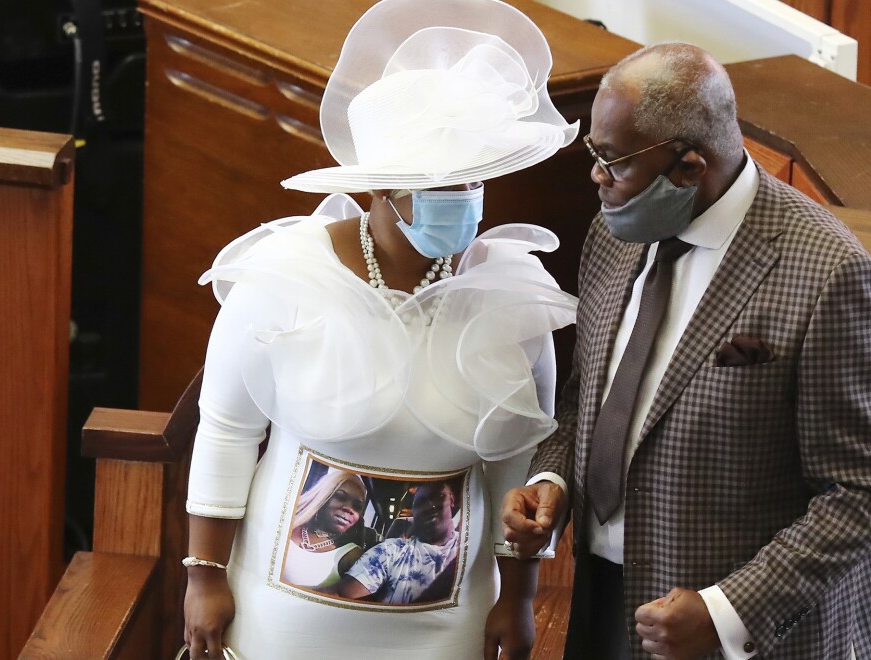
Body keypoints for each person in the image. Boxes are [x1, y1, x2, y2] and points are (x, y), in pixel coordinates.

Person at [181, 0, 581, 658]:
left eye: (471, 182)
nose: (460, 200)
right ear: (377, 189)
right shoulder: (282, 277)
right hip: (283, 625)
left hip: (445, 629)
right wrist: (204, 576)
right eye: (435, 186)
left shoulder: (516, 300)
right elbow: (228, 429)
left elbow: (516, 466)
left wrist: (518, 596)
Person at [501, 42, 871, 660]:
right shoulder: (613, 232)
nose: (596, 177)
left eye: (613, 161)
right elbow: (585, 396)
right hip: (604, 608)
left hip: (738, 637)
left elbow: (857, 491)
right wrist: (552, 479)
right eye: (594, 154)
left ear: (690, 167)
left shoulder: (828, 272)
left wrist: (730, 611)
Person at [338, 480, 460, 604]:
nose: (429, 506)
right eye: (420, 503)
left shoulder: (473, 548)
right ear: (414, 512)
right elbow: (341, 596)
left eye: (438, 497)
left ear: (452, 500)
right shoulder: (391, 550)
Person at [281, 468, 367, 589]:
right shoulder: (288, 523)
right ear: (323, 496)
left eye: (357, 506)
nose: (349, 508)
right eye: (340, 497)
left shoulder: (352, 555)